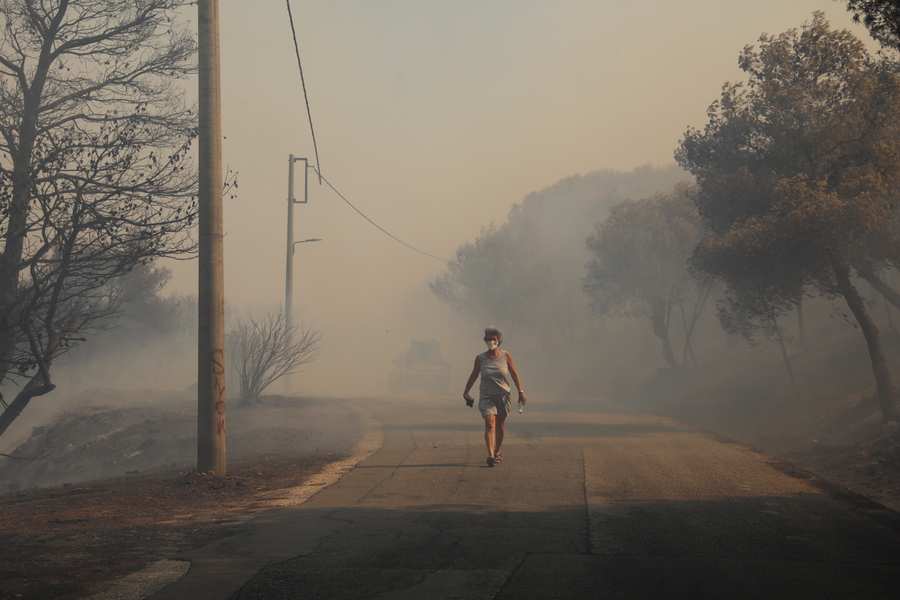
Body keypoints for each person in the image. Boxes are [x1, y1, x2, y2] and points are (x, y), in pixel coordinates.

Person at [463, 326, 526, 467]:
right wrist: (466, 391)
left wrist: (521, 392)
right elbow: (474, 375)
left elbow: (514, 374)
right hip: (487, 396)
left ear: (499, 341)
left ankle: (497, 452)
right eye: (489, 339)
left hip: (503, 395)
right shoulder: (480, 358)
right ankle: (490, 455)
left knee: (500, 425)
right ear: (485, 341)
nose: (491, 341)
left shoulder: (505, 355)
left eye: (494, 339)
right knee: (489, 422)